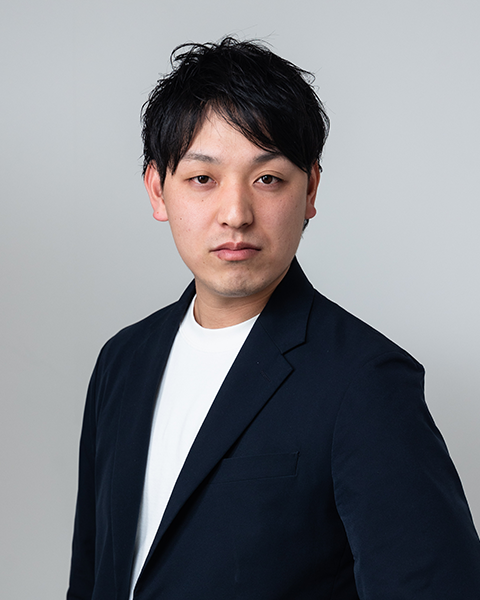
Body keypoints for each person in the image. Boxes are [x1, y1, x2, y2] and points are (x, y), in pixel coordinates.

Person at [67, 37, 480, 600]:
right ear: (158, 190)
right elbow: (93, 576)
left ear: (310, 189)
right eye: (203, 179)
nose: (236, 214)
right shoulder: (123, 360)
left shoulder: (367, 381)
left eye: (268, 179)